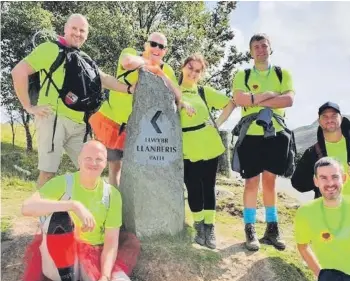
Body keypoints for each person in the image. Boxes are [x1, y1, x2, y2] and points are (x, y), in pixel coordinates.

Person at [21, 140, 235, 281]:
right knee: (60, 214)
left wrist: (104, 278)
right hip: (57, 257)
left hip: (92, 257)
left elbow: (111, 241)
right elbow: (27, 207)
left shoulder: (111, 194)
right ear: (79, 159)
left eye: (99, 159)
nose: (93, 163)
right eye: (88, 158)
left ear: (105, 163)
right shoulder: (64, 183)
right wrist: (72, 205)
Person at [11, 14, 134, 188]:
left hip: (80, 125)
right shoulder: (50, 49)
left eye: (82, 30)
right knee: (48, 173)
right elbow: (19, 72)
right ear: (65, 29)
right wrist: (28, 107)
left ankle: (79, 212)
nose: (78, 33)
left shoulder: (84, 58)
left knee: (90, 170)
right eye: (74, 28)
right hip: (53, 118)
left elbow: (105, 79)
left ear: (87, 34)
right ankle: (43, 214)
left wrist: (129, 89)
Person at [291, 102, 350, 248]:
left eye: (333, 115)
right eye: (325, 116)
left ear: (341, 118)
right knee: (335, 261)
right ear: (319, 121)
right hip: (330, 216)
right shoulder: (313, 153)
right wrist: (319, 180)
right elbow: (297, 183)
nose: (329, 119)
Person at [89, 32, 181, 186]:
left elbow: (177, 94)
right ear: (146, 45)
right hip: (113, 123)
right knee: (114, 168)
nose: (156, 48)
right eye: (153, 44)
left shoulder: (168, 69)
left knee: (137, 170)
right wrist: (149, 62)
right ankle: (113, 205)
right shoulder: (131, 52)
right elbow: (127, 63)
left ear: (165, 50)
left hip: (142, 128)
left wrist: (160, 73)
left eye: (161, 46)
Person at [232, 33, 295, 252]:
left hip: (276, 135)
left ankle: (272, 229)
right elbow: (239, 99)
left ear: (270, 48)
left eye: (263, 45)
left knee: (270, 182)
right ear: (250, 52)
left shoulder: (281, 73)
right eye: (255, 47)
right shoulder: (243, 74)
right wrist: (268, 96)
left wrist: (255, 98)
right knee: (251, 183)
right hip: (251, 135)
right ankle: (250, 230)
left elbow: (288, 100)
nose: (260, 49)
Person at [178, 54, 236, 249]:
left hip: (209, 144)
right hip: (186, 147)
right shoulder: (173, 91)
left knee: (208, 187)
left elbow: (230, 103)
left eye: (197, 71)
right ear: (182, 67)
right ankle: (198, 225)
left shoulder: (204, 91)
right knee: (193, 187)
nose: (192, 73)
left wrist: (217, 123)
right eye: (190, 67)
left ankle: (209, 227)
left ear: (201, 74)